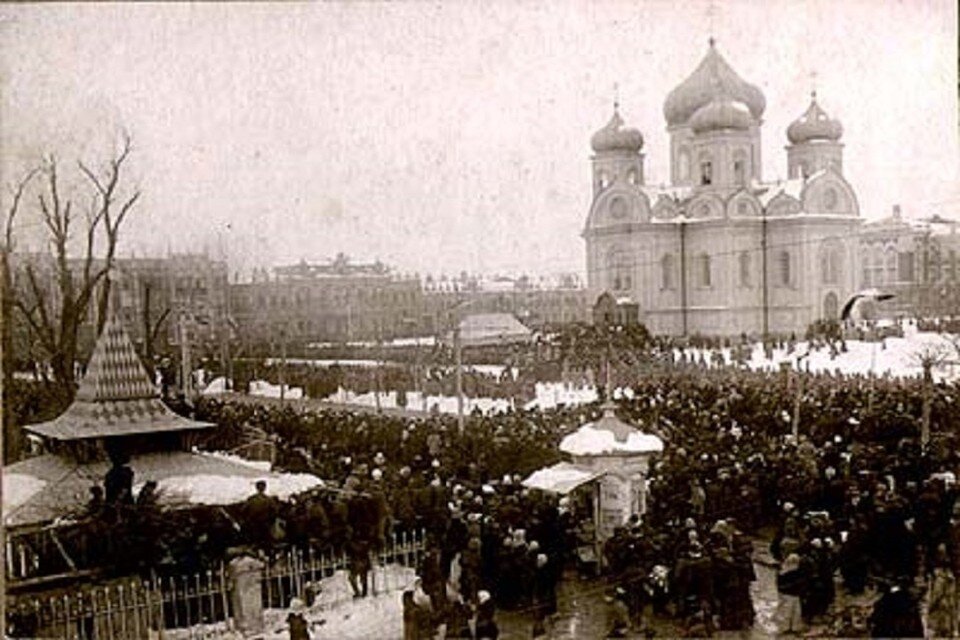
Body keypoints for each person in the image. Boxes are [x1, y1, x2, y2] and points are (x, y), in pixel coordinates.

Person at [776, 553, 805, 635]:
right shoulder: (787, 571)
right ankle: (787, 628)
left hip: (791, 593)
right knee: (789, 612)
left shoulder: (785, 570)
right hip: (788, 594)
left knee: (794, 612)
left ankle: (791, 627)